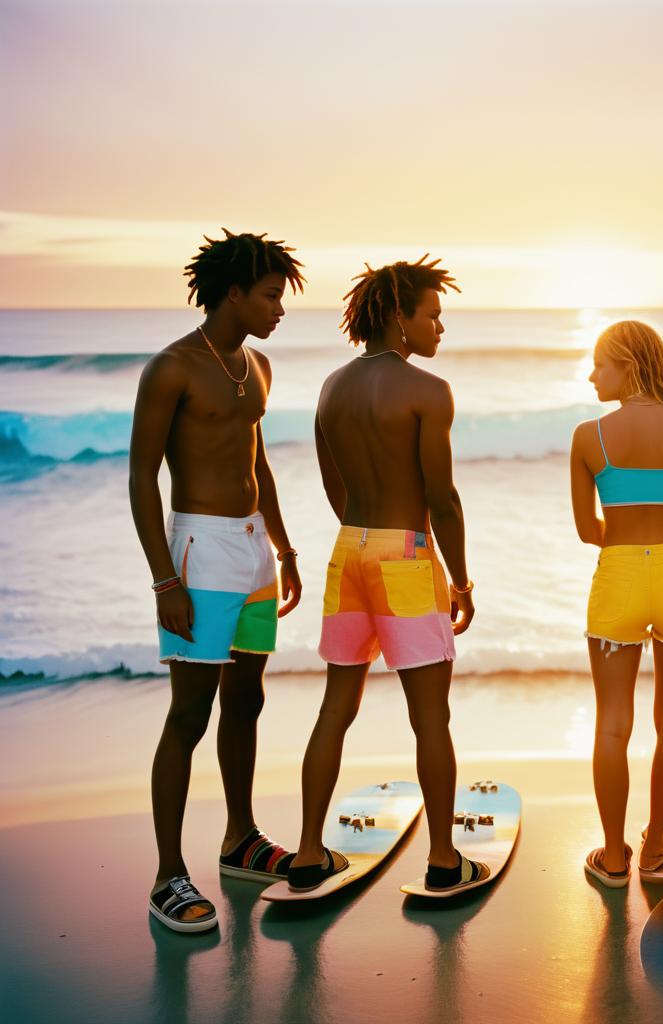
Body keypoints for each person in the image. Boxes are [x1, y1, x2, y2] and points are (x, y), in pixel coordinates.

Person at [286, 255, 484, 894]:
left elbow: (332, 483)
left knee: (335, 707)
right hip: (404, 556)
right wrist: (461, 579)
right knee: (430, 718)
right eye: (432, 314)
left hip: (349, 551)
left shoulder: (330, 388)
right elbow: (443, 496)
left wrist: (365, 536)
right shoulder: (429, 391)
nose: (440, 327)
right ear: (399, 317)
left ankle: (310, 852)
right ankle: (446, 860)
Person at [129, 229, 305, 933]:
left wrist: (285, 548)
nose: (279, 310)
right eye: (270, 296)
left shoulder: (257, 365)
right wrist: (164, 581)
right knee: (189, 714)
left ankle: (241, 839)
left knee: (248, 700)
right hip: (198, 553)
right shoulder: (171, 368)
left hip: (253, 549)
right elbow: (142, 475)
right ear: (233, 292)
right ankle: (168, 874)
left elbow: (256, 463)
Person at [570, 321, 663, 887]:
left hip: (620, 574)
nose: (591, 375)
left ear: (627, 364)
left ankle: (612, 856)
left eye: (599, 364)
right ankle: (656, 841)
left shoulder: (590, 437)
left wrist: (628, 531)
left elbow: (589, 530)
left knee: (612, 723)